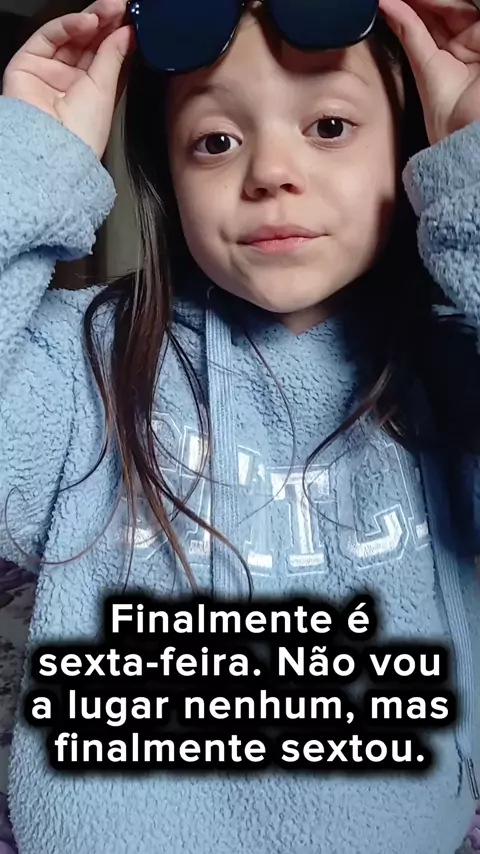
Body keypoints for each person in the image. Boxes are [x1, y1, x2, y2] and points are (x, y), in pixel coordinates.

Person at [1, 0, 480, 850]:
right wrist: (27, 168)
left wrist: (473, 167)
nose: (270, 172)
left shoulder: (449, 357)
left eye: (329, 125)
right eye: (216, 140)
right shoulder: (87, 361)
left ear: (410, 151)